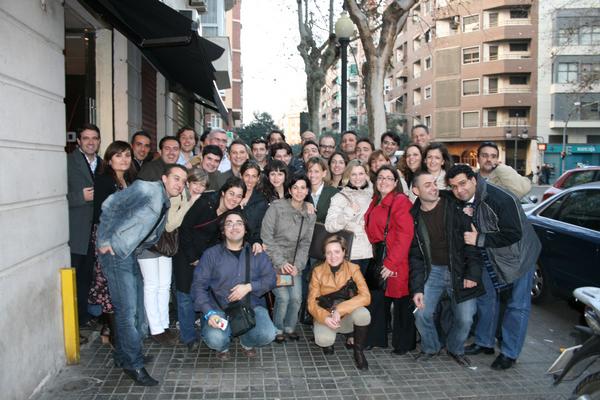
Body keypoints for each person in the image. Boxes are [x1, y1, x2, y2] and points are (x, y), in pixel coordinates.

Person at [96, 164, 188, 386]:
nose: (180, 184)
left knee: (135, 309)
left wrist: (136, 249)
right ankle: (133, 364)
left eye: (183, 181)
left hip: (129, 254)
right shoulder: (147, 189)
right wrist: (105, 240)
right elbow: (110, 204)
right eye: (176, 178)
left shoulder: (165, 201)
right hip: (116, 252)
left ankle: (124, 355)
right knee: (128, 312)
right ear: (164, 178)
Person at [447, 164, 541, 370]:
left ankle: (510, 353)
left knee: (517, 305)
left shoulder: (500, 198)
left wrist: (479, 239)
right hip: (491, 254)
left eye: (462, 184)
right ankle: (484, 342)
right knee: (485, 298)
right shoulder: (465, 199)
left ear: (474, 180)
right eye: (454, 187)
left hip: (519, 257)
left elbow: (513, 233)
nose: (459, 190)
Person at [409, 171, 484, 367]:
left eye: (434, 183)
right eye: (427, 185)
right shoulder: (413, 218)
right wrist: (417, 288)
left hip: (459, 271)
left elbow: (472, 245)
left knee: (465, 319)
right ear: (416, 191)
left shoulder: (455, 208)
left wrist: (472, 274)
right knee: (421, 314)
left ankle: (455, 348)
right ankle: (431, 347)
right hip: (432, 272)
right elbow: (416, 257)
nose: (434, 187)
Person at [191, 211, 277, 360]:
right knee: (216, 339)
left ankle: (246, 341)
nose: (234, 227)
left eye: (239, 223)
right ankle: (223, 346)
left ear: (245, 229)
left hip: (250, 306)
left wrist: (250, 287)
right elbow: (198, 285)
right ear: (223, 230)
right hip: (218, 307)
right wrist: (208, 312)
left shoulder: (257, 253)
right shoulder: (211, 254)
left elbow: (271, 279)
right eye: (229, 224)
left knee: (268, 334)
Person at [174, 177, 246, 350]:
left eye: (239, 196)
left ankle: (207, 328)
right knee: (185, 295)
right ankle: (188, 336)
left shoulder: (234, 212)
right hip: (187, 253)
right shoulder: (205, 202)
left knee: (203, 291)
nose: (234, 199)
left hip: (208, 258)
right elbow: (185, 228)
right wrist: (192, 257)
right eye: (231, 193)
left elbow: (243, 231)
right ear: (223, 192)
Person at [364, 165, 416, 353]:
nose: (384, 181)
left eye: (388, 178)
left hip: (395, 258)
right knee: (378, 298)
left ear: (395, 183)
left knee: (400, 300)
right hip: (378, 254)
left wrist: (391, 263)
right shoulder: (375, 200)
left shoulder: (400, 201)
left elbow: (405, 235)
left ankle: (404, 344)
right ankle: (376, 338)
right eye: (380, 178)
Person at [89, 141, 137, 344]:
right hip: (108, 239)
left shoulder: (130, 180)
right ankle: (118, 341)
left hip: (124, 240)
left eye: (127, 155)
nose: (124, 159)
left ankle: (110, 330)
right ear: (109, 159)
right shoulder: (104, 181)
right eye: (118, 155)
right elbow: (103, 214)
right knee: (111, 286)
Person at [261, 175, 316, 343]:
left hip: (293, 263)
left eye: (303, 188)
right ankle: (277, 328)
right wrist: (281, 262)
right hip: (273, 261)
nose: (299, 191)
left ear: (307, 191)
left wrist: (298, 265)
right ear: (290, 190)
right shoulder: (276, 207)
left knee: (296, 298)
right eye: (295, 188)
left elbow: (306, 243)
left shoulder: (309, 213)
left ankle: (289, 327)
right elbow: (267, 237)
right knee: (284, 298)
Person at [308, 235, 371, 369]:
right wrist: (325, 318)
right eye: (329, 252)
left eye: (337, 251)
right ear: (324, 254)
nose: (333, 256)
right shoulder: (317, 271)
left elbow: (366, 296)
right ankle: (329, 339)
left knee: (364, 314)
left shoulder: (353, 268)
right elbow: (311, 303)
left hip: (346, 315)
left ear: (344, 252)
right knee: (324, 340)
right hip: (326, 313)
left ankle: (358, 352)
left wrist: (339, 309)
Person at [67, 123, 102, 330]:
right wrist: (80, 197)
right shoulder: (68, 162)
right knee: (75, 276)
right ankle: (75, 321)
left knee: (89, 277)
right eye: (86, 138)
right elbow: (54, 196)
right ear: (79, 141)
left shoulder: (103, 164)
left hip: (97, 232)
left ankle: (85, 316)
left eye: (94, 138)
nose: (90, 142)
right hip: (77, 231)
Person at [325, 160, 374, 275]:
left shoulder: (371, 195)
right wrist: (349, 212)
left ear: (366, 175)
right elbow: (329, 226)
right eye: (354, 174)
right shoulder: (340, 197)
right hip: (351, 252)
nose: (358, 178)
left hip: (369, 251)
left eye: (361, 174)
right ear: (348, 176)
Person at [239, 160, 269, 253]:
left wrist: (257, 242)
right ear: (241, 176)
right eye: (247, 175)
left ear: (258, 178)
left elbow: (260, 228)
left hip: (250, 246)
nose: (250, 180)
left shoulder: (262, 201)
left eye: (253, 176)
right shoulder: (232, 196)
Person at [306, 157, 338, 223]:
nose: (312, 175)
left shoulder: (334, 193)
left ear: (324, 173)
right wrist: (303, 204)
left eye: (316, 171)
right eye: (310, 171)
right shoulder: (301, 192)